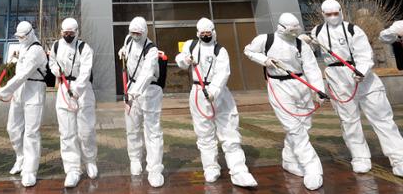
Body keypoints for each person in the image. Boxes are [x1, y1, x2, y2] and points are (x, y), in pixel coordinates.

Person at [311, 0, 403, 176]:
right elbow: (307, 47)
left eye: (335, 13)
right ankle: (360, 157)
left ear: (341, 12)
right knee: (349, 121)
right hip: (337, 79)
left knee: (382, 118)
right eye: (328, 14)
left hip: (363, 78)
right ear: (323, 15)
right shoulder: (318, 31)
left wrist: (361, 71)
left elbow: (364, 54)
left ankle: (398, 157)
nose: (332, 17)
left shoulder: (353, 30)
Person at [244, 13, 324, 191]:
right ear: (282, 27)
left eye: (297, 28)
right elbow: (248, 50)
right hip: (279, 86)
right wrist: (265, 60)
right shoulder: (266, 39)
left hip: (301, 85)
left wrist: (318, 89)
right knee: (294, 128)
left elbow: (311, 67)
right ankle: (312, 167)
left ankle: (289, 160)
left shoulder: (300, 43)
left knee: (304, 126)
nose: (295, 31)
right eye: (292, 29)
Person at [176, 18, 257, 187]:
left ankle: (239, 170)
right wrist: (186, 60)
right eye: (203, 33)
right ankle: (211, 168)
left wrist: (213, 91)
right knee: (204, 134)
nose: (206, 36)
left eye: (208, 33)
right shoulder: (191, 46)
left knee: (229, 132)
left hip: (219, 94)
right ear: (198, 33)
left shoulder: (220, 51)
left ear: (213, 32)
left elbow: (223, 73)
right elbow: (180, 59)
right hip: (198, 93)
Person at [0, 21, 47, 188]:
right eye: (18, 36)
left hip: (34, 90)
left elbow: (23, 74)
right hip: (19, 91)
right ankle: (21, 157)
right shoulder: (22, 48)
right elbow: (17, 73)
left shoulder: (36, 50)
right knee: (13, 128)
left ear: (30, 34)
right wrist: (9, 89)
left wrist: (3, 91)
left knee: (31, 132)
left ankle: (30, 170)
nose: (20, 39)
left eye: (23, 36)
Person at [47, 18, 97, 188]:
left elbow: (85, 71)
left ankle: (90, 160)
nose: (68, 36)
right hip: (63, 90)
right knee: (67, 133)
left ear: (77, 32)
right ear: (61, 32)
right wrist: (55, 70)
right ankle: (72, 169)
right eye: (65, 33)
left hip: (82, 91)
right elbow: (52, 61)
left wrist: (77, 90)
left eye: (71, 33)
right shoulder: (55, 46)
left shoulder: (85, 48)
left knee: (86, 130)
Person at [117, 16, 164, 188]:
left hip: (149, 91)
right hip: (131, 89)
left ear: (144, 32)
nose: (135, 35)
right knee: (132, 128)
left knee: (152, 131)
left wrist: (134, 92)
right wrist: (122, 51)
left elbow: (146, 73)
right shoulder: (129, 39)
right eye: (132, 32)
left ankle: (154, 169)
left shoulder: (151, 50)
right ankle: (135, 160)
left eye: (138, 33)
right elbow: (126, 49)